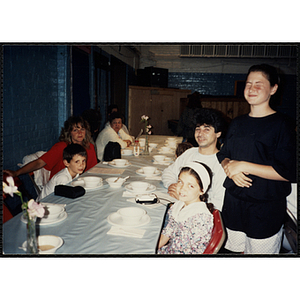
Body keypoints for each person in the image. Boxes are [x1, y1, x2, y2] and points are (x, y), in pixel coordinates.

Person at [217, 64, 296, 254]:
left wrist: (243, 166)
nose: (251, 88)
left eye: (259, 84)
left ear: (273, 89)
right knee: (233, 253)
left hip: (265, 208)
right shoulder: (237, 123)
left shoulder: (282, 124)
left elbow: (288, 172)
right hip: (234, 203)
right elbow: (223, 154)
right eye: (248, 83)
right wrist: (229, 166)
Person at [162, 108, 227, 211]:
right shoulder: (190, 153)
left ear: (218, 133)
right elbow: (168, 172)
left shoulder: (221, 163)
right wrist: (172, 185)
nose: (200, 134)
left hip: (201, 214)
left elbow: (219, 203)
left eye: (206, 129)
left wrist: (190, 201)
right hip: (178, 207)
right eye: (198, 129)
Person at [4, 116, 98, 181]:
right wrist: (17, 173)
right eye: (75, 130)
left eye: (82, 129)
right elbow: (40, 162)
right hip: (60, 186)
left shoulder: (90, 146)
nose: (80, 133)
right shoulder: (62, 147)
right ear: (69, 132)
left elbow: (93, 170)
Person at [157, 161, 214, 254]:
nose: (182, 188)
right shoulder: (179, 205)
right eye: (180, 182)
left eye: (190, 186)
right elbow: (167, 232)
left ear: (202, 190)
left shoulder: (200, 218)